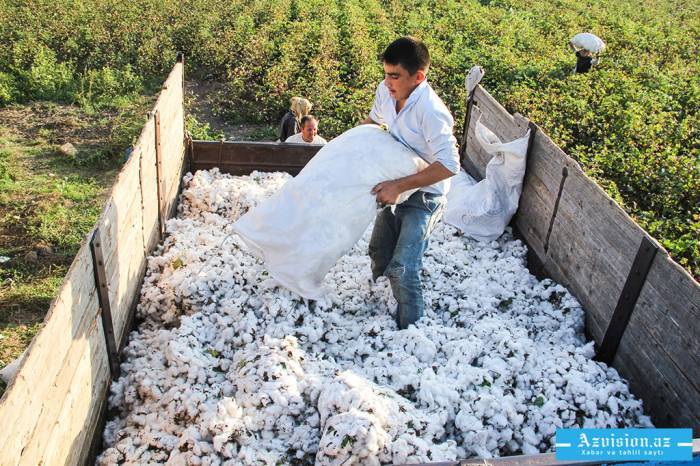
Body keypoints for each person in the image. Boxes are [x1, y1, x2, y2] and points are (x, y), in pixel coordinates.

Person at [360, 36, 459, 330]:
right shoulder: (386, 92)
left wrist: (400, 186)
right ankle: (382, 304)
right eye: (385, 73)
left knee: (403, 267)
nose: (387, 82)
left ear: (418, 77)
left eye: (395, 76)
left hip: (424, 194)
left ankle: (410, 332)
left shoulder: (431, 111)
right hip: (397, 181)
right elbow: (372, 122)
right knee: (379, 252)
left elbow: (451, 165)